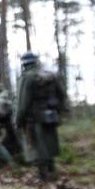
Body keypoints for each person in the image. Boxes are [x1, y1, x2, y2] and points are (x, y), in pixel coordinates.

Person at [15, 52, 67, 181]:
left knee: (37, 146)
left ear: (24, 64)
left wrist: (18, 119)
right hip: (51, 115)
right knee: (49, 142)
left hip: (33, 117)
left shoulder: (27, 77)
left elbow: (23, 102)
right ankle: (52, 170)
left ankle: (42, 175)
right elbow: (62, 95)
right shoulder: (50, 75)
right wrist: (59, 111)